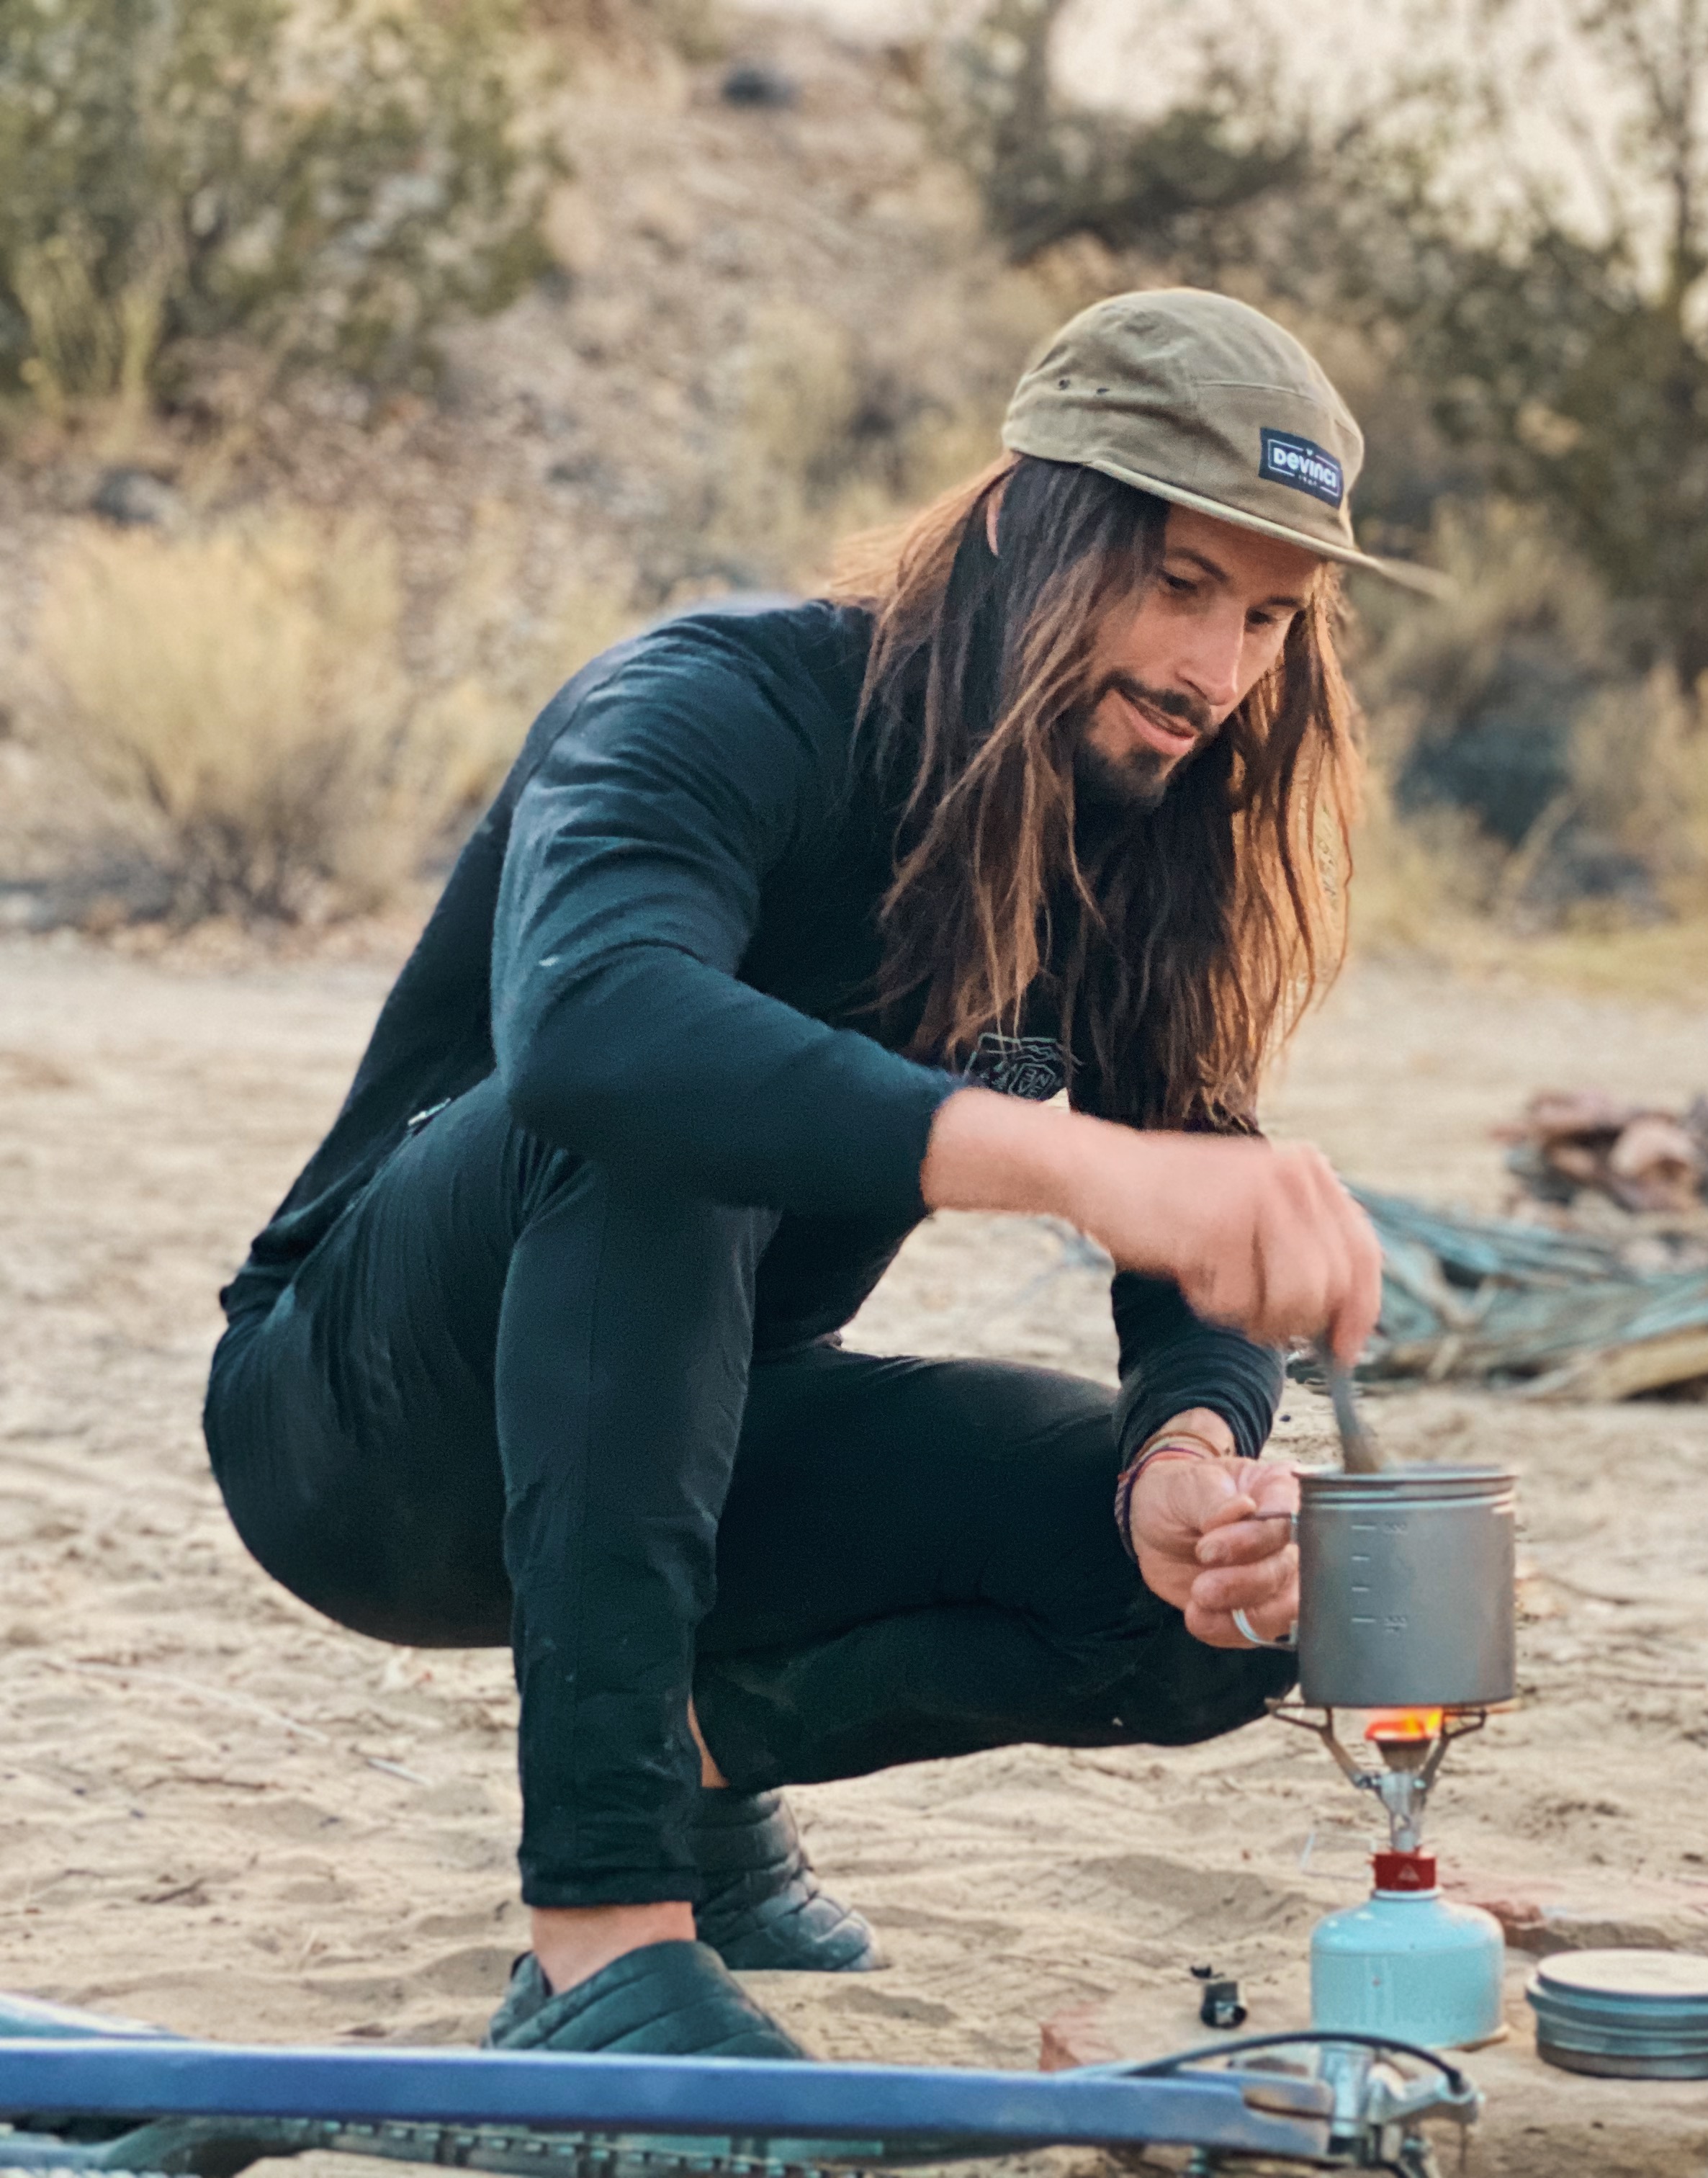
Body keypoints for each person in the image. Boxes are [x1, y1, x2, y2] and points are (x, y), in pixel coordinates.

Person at [201, 289, 1405, 2060]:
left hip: (703, 1433)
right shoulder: (720, 704)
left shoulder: (1131, 836)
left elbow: (1191, 1238)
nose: (1212, 674)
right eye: (1172, 583)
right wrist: (1072, 1165)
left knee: (1237, 1608)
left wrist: (1192, 1452)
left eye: (1266, 618)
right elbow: (596, 1036)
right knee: (658, 1118)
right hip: (370, 1432)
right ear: (1020, 525)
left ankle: (699, 1759)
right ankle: (601, 1941)